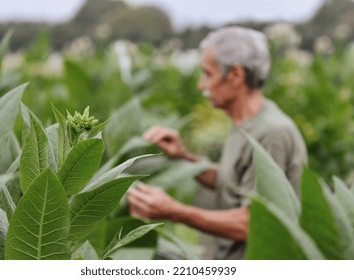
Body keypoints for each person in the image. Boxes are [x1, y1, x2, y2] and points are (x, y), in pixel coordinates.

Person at [127, 26, 307, 259]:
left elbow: (256, 224)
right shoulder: (247, 122)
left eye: (208, 74)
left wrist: (174, 211)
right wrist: (185, 156)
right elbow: (235, 182)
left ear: (235, 75)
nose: (201, 85)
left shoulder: (271, 133)